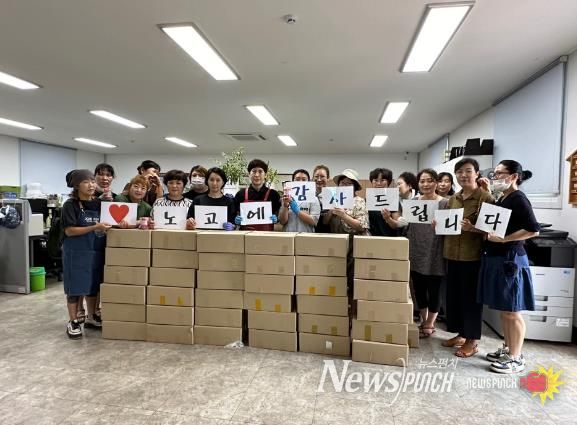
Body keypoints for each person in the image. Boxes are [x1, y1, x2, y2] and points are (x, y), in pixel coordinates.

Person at [478, 160, 539, 374]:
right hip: (498, 258)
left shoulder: (519, 198)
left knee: (512, 312)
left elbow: (533, 229)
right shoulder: (504, 197)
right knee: (505, 311)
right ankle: (508, 348)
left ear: (513, 176)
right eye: (494, 174)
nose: (495, 178)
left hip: (510, 259)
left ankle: (516, 357)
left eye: (499, 174)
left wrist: (504, 239)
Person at [442, 158, 494, 358]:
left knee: (471, 300)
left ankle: (472, 341)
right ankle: (461, 335)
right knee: (455, 298)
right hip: (451, 254)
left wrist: (473, 228)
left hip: (473, 256)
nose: (463, 175)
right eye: (459, 171)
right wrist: (439, 224)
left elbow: (492, 229)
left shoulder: (485, 198)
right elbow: (448, 224)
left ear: (477, 173)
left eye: (468, 171)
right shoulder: (454, 198)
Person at [61, 170, 111, 338]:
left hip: (95, 251)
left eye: (92, 181)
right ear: (77, 185)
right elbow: (69, 231)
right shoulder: (70, 205)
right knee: (75, 287)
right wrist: (95, 227)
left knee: (93, 285)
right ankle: (73, 321)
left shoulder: (99, 204)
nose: (91, 185)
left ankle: (91, 317)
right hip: (76, 253)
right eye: (86, 182)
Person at [406, 169, 448, 338]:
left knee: (435, 289)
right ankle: (424, 320)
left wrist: (441, 226)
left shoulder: (445, 203)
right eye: (422, 181)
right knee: (419, 288)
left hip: (436, 251)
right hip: (416, 250)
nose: (426, 184)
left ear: (436, 182)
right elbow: (404, 223)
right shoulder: (413, 202)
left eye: (430, 180)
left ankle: (430, 323)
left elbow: (452, 228)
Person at [234, 159, 281, 231]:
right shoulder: (240, 194)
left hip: (267, 235)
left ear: (265, 175)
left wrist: (276, 218)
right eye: (254, 171)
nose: (257, 175)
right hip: (245, 235)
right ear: (249, 174)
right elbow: (235, 213)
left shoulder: (273, 194)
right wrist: (236, 219)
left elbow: (279, 215)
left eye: (260, 171)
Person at [324, 169, 370, 235]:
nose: (345, 186)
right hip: (336, 238)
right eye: (342, 183)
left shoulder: (360, 201)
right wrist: (331, 211)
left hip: (355, 239)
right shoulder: (333, 199)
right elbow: (325, 222)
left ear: (354, 187)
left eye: (349, 183)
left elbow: (362, 227)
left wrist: (344, 215)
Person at [367, 168, 398, 237]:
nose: (379, 183)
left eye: (382, 180)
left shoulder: (393, 199)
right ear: (372, 182)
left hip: (389, 239)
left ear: (388, 182)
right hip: (370, 239)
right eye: (376, 180)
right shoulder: (367, 200)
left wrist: (388, 218)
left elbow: (397, 225)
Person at [313, 164, 331, 233]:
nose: (319, 179)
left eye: (322, 176)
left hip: (327, 232)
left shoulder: (332, 195)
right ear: (312, 178)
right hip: (309, 231)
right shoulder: (308, 194)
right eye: (316, 176)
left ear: (328, 178)